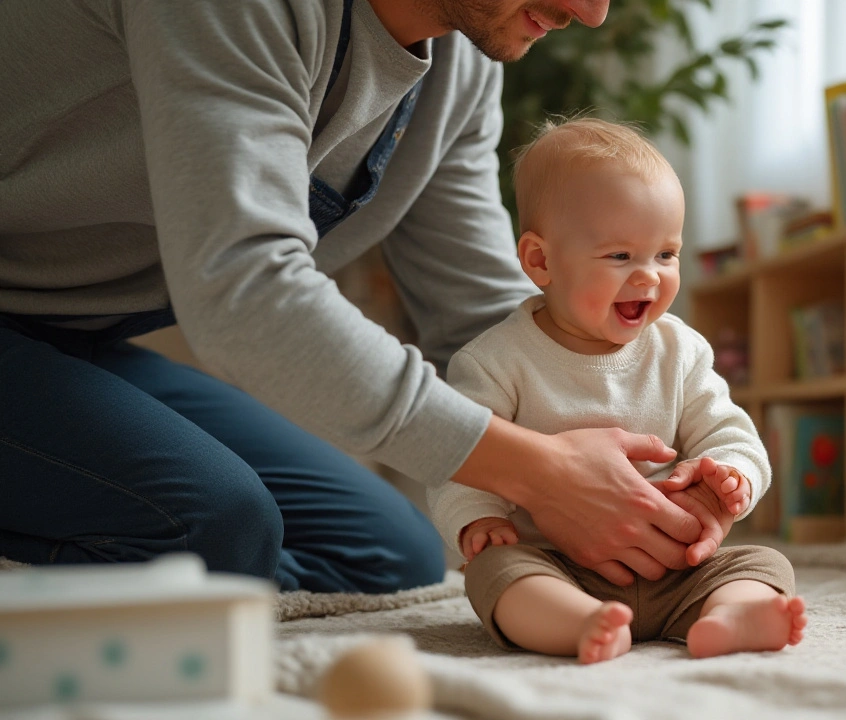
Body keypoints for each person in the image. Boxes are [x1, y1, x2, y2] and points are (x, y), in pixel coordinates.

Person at [0, 0, 732, 594]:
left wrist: (640, 489)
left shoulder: (462, 73)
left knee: (387, 556)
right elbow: (247, 294)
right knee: (211, 524)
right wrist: (543, 473)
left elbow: (485, 318)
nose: (593, 11)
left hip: (66, 332)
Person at [436, 118, 806, 663]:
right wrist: (479, 520)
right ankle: (579, 622)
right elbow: (460, 458)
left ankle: (729, 615)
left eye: (666, 254)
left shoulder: (680, 350)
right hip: (557, 567)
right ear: (541, 261)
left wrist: (728, 478)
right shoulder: (496, 361)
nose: (651, 277)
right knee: (496, 574)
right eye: (620, 256)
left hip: (677, 565)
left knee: (765, 564)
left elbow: (732, 432)